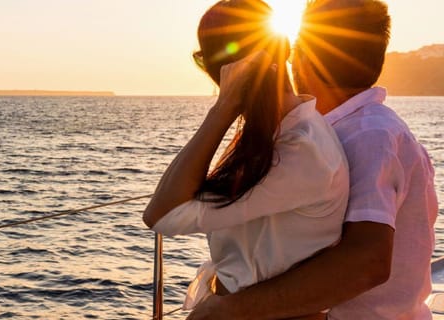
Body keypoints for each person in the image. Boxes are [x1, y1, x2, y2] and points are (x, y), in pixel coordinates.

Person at [186, 0, 439, 319]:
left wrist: (231, 309)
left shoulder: (369, 136)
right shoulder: (336, 131)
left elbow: (367, 263)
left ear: (306, 56)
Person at [142, 1, 348, 319]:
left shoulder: (300, 151)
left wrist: (222, 108)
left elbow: (161, 214)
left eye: (204, 62)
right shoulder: (280, 134)